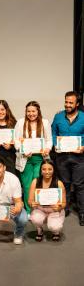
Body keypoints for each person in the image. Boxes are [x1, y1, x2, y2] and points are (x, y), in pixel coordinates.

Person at [51, 91, 84, 225]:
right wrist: (55, 144)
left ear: (77, 104)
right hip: (62, 157)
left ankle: (82, 212)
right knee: (64, 184)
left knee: (79, 185)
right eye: (66, 102)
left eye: (71, 102)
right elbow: (53, 132)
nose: (68, 105)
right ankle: (65, 208)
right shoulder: (58, 117)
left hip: (79, 157)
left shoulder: (83, 117)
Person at [14, 101, 52, 215]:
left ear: (38, 111)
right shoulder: (20, 122)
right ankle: (29, 210)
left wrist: (48, 148)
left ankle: (39, 208)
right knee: (26, 185)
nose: (31, 114)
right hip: (25, 159)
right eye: (28, 111)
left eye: (33, 111)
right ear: (26, 112)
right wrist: (23, 151)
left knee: (38, 183)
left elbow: (49, 140)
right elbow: (16, 140)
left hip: (41, 159)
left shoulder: (45, 123)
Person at [28, 158, 66, 241]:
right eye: (44, 169)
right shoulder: (35, 181)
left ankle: (55, 232)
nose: (47, 172)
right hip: (40, 209)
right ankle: (39, 229)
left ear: (54, 170)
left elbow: (63, 203)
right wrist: (32, 204)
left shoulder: (59, 183)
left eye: (50, 169)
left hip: (54, 210)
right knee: (35, 219)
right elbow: (30, 201)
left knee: (55, 227)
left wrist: (59, 208)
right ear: (41, 170)